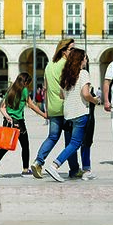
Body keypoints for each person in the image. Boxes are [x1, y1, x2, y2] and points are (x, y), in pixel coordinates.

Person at [42, 48, 99, 182]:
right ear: (80, 60)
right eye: (85, 58)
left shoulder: (66, 75)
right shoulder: (83, 73)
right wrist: (95, 100)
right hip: (81, 112)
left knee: (82, 141)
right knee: (75, 143)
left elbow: (62, 95)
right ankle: (55, 165)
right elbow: (85, 94)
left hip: (69, 114)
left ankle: (87, 170)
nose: (86, 61)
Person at [30, 39, 79, 179]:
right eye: (71, 49)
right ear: (63, 51)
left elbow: (45, 88)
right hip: (66, 107)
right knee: (71, 141)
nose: (73, 52)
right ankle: (74, 169)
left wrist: (47, 107)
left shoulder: (49, 65)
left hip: (52, 107)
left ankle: (38, 162)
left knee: (52, 137)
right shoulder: (67, 65)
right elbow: (70, 86)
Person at [0, 72, 47, 179]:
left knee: (5, 146)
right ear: (25, 82)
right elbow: (31, 105)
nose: (28, 85)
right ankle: (25, 170)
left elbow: (2, 107)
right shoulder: (24, 90)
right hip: (19, 123)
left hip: (8, 123)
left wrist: (8, 117)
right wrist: (43, 115)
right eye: (28, 83)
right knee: (25, 146)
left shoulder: (10, 90)